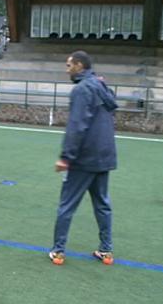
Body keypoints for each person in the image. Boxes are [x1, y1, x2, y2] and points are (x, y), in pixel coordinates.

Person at [49, 51, 118, 266]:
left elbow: (77, 125)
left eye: (69, 65)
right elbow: (113, 105)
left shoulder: (82, 89)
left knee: (67, 205)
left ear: (79, 66)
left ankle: (58, 251)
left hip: (84, 158)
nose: (66, 68)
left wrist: (66, 157)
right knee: (102, 204)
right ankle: (106, 251)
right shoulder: (100, 85)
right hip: (104, 156)